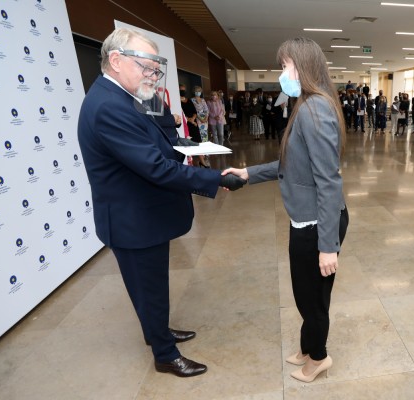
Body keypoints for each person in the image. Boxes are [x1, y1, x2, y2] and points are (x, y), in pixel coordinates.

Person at [77, 28, 246, 378]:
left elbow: (162, 138)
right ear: (116, 60)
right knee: (149, 287)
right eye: (146, 68)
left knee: (152, 285)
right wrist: (216, 179)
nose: (152, 76)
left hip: (146, 216)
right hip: (132, 221)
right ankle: (165, 354)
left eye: (157, 69)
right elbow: (155, 167)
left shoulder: (130, 95)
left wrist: (161, 108)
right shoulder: (108, 106)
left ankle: (158, 332)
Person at [223, 37, 348, 383]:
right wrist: (248, 173)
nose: (282, 74)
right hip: (305, 219)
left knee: (313, 299)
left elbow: (328, 181)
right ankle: (308, 347)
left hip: (318, 223)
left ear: (303, 67)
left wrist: (327, 245)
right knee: (304, 292)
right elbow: (290, 164)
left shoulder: (316, 109)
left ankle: (318, 357)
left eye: (285, 66)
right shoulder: (305, 105)